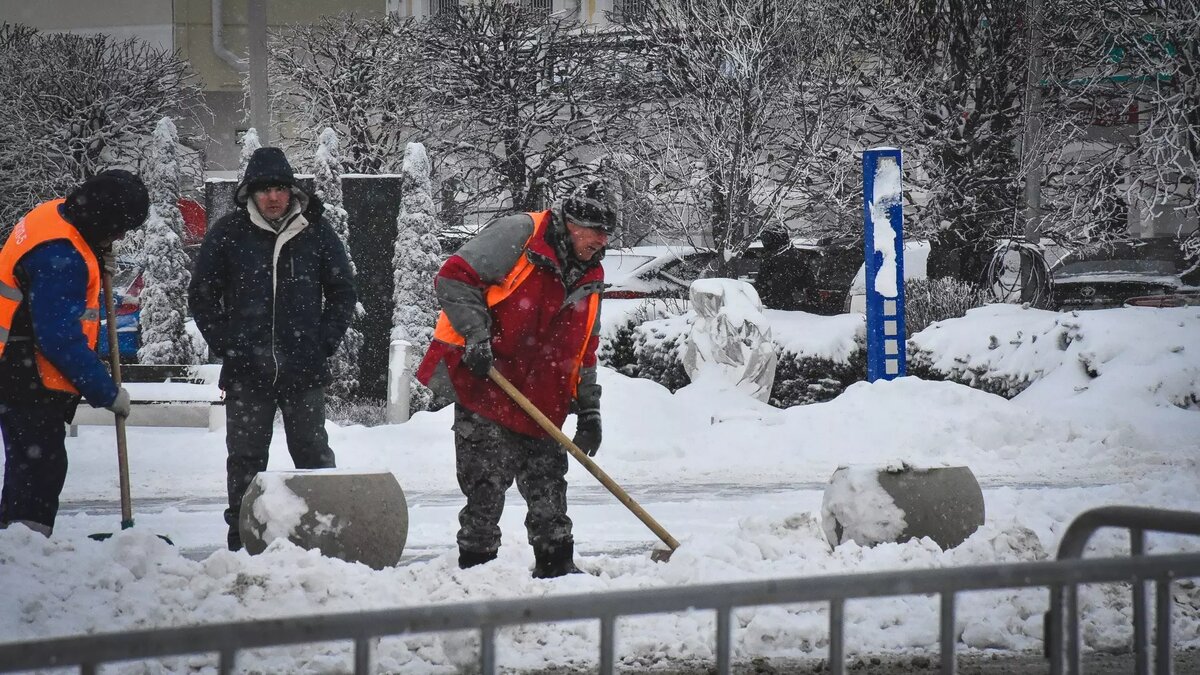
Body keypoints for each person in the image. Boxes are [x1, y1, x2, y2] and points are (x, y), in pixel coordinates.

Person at [416, 180, 613, 579]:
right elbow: (454, 276)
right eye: (595, 235)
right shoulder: (522, 233)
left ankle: (557, 569)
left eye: (606, 236)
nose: (601, 243)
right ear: (573, 223)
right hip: (490, 382)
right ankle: (477, 573)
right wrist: (476, 335)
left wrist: (589, 408)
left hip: (543, 396)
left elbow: (584, 345)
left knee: (549, 488)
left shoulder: (591, 273)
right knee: (485, 487)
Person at [188, 147, 357, 552]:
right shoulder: (228, 233)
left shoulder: (315, 231)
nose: (273, 197)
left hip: (304, 369)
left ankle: (326, 537)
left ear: (292, 190)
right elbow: (202, 294)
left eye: (280, 188)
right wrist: (228, 343)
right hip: (247, 371)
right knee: (245, 458)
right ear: (250, 193)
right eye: (264, 190)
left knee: (313, 454)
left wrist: (323, 342)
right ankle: (241, 539)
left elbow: (342, 291)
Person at [0, 170, 149, 536]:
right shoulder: (62, 257)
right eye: (120, 228)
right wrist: (107, 392)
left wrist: (97, 255)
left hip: (14, 365)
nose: (121, 236)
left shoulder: (52, 216)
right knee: (39, 470)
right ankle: (24, 553)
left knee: (30, 465)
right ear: (103, 219)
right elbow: (58, 339)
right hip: (27, 373)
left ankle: (18, 545)